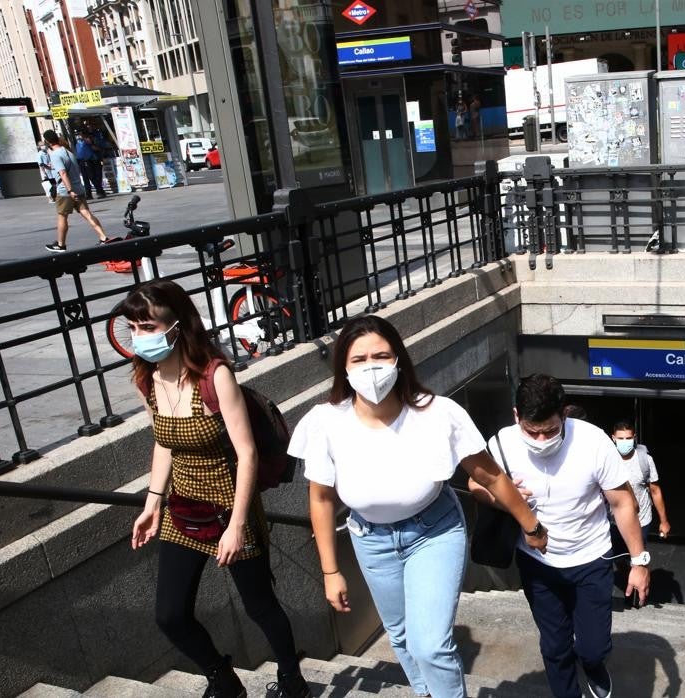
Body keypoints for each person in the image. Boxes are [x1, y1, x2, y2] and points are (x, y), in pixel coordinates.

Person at [290, 315, 547, 698]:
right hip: (371, 540)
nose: (371, 367)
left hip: (434, 531)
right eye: (359, 359)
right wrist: (330, 570)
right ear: (343, 367)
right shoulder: (325, 423)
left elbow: (491, 476)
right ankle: (425, 691)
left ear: (399, 360)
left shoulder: (437, 413)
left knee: (431, 644)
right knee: (402, 635)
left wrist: (531, 526)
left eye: (381, 355)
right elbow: (321, 498)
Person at [125, 279, 311, 698]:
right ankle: (223, 680)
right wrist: (153, 503)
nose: (140, 338)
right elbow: (163, 440)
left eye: (149, 328)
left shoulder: (214, 375)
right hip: (182, 508)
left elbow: (247, 453)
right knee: (170, 615)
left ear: (178, 325)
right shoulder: (146, 377)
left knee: (259, 605)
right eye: (134, 328)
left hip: (231, 506)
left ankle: (292, 681)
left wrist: (238, 525)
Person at [469, 375, 650, 698]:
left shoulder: (593, 442)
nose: (540, 439)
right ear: (516, 417)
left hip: (591, 559)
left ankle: (594, 669)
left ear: (564, 414)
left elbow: (623, 503)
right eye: (531, 430)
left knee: (594, 647)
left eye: (550, 430)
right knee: (554, 647)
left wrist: (639, 561)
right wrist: (504, 498)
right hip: (536, 563)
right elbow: (475, 484)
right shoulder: (502, 443)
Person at [42, 129, 112, 252]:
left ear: (47, 141)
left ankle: (60, 244)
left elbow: (63, 173)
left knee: (62, 216)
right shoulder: (68, 152)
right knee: (86, 213)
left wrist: (69, 191)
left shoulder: (56, 155)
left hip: (66, 191)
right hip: (79, 188)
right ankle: (103, 237)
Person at [608, 420, 671, 541]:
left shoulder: (645, 460)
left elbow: (655, 491)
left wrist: (664, 521)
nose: (624, 442)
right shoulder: (607, 460)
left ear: (634, 437)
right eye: (620, 438)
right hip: (614, 522)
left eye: (628, 438)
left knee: (638, 557)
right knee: (618, 558)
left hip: (641, 521)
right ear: (613, 438)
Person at [75, 130, 108, 199]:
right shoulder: (79, 142)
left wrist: (85, 138)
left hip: (88, 160)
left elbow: (93, 146)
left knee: (91, 177)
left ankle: (99, 191)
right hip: (82, 160)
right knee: (86, 178)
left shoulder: (86, 140)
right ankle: (89, 193)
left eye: (80, 134)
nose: (78, 135)